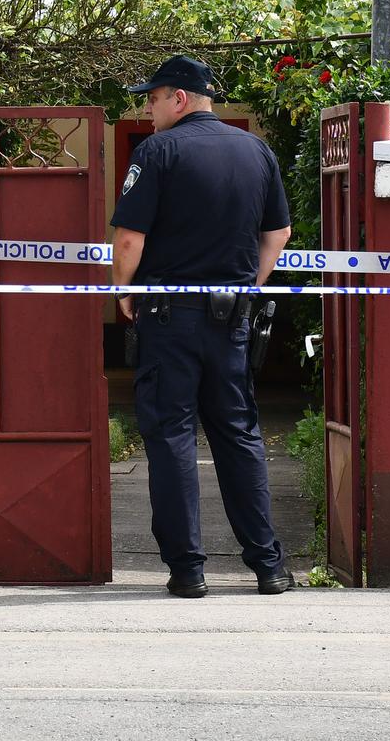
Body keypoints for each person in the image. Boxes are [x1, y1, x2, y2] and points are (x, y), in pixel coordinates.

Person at [110, 55, 295, 598]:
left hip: (169, 321)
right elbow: (278, 233)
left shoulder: (157, 152)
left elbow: (128, 240)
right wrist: (245, 285)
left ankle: (188, 571)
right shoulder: (256, 150)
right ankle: (269, 567)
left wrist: (125, 290)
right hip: (231, 320)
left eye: (153, 97)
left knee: (171, 438)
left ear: (180, 99)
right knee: (238, 436)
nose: (147, 109)